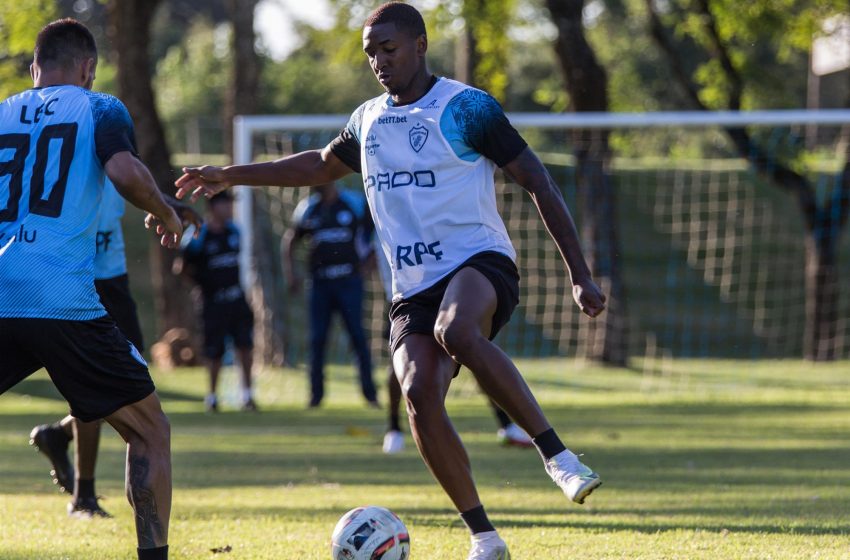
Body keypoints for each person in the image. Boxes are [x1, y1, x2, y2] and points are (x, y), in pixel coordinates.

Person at [174, 3, 606, 559]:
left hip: (480, 263)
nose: (379, 61)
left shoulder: (466, 107)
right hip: (412, 288)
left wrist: (580, 275)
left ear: (421, 45)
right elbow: (317, 166)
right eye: (370, 53)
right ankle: (485, 536)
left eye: (389, 49)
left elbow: (538, 181)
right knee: (419, 393)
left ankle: (558, 457)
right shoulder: (368, 119)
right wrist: (228, 174)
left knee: (457, 330)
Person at [0, 18, 181, 560]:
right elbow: (125, 173)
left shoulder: (3, 112)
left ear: (34, 68)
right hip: (61, 296)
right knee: (150, 431)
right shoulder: (98, 106)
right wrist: (167, 213)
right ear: (88, 68)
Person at [29, 181, 201, 518]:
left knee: (131, 386)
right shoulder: (73, 135)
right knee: (91, 382)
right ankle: (84, 495)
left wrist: (164, 204)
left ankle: (61, 435)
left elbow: (130, 175)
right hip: (74, 276)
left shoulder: (109, 135)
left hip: (112, 277)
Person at [282, 182, 378, 408]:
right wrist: (291, 275)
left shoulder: (354, 204)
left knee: (358, 337)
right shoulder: (308, 208)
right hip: (320, 284)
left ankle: (370, 395)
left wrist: (366, 268)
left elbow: (376, 236)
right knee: (317, 340)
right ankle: (315, 396)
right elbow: (290, 241)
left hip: (349, 283)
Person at [176, 191, 257, 412]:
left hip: (236, 298)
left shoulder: (235, 231)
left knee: (245, 345)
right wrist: (201, 287)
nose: (230, 209)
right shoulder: (197, 235)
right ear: (213, 207)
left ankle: (247, 395)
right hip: (213, 302)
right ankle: (212, 397)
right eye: (226, 205)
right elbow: (181, 268)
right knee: (214, 350)